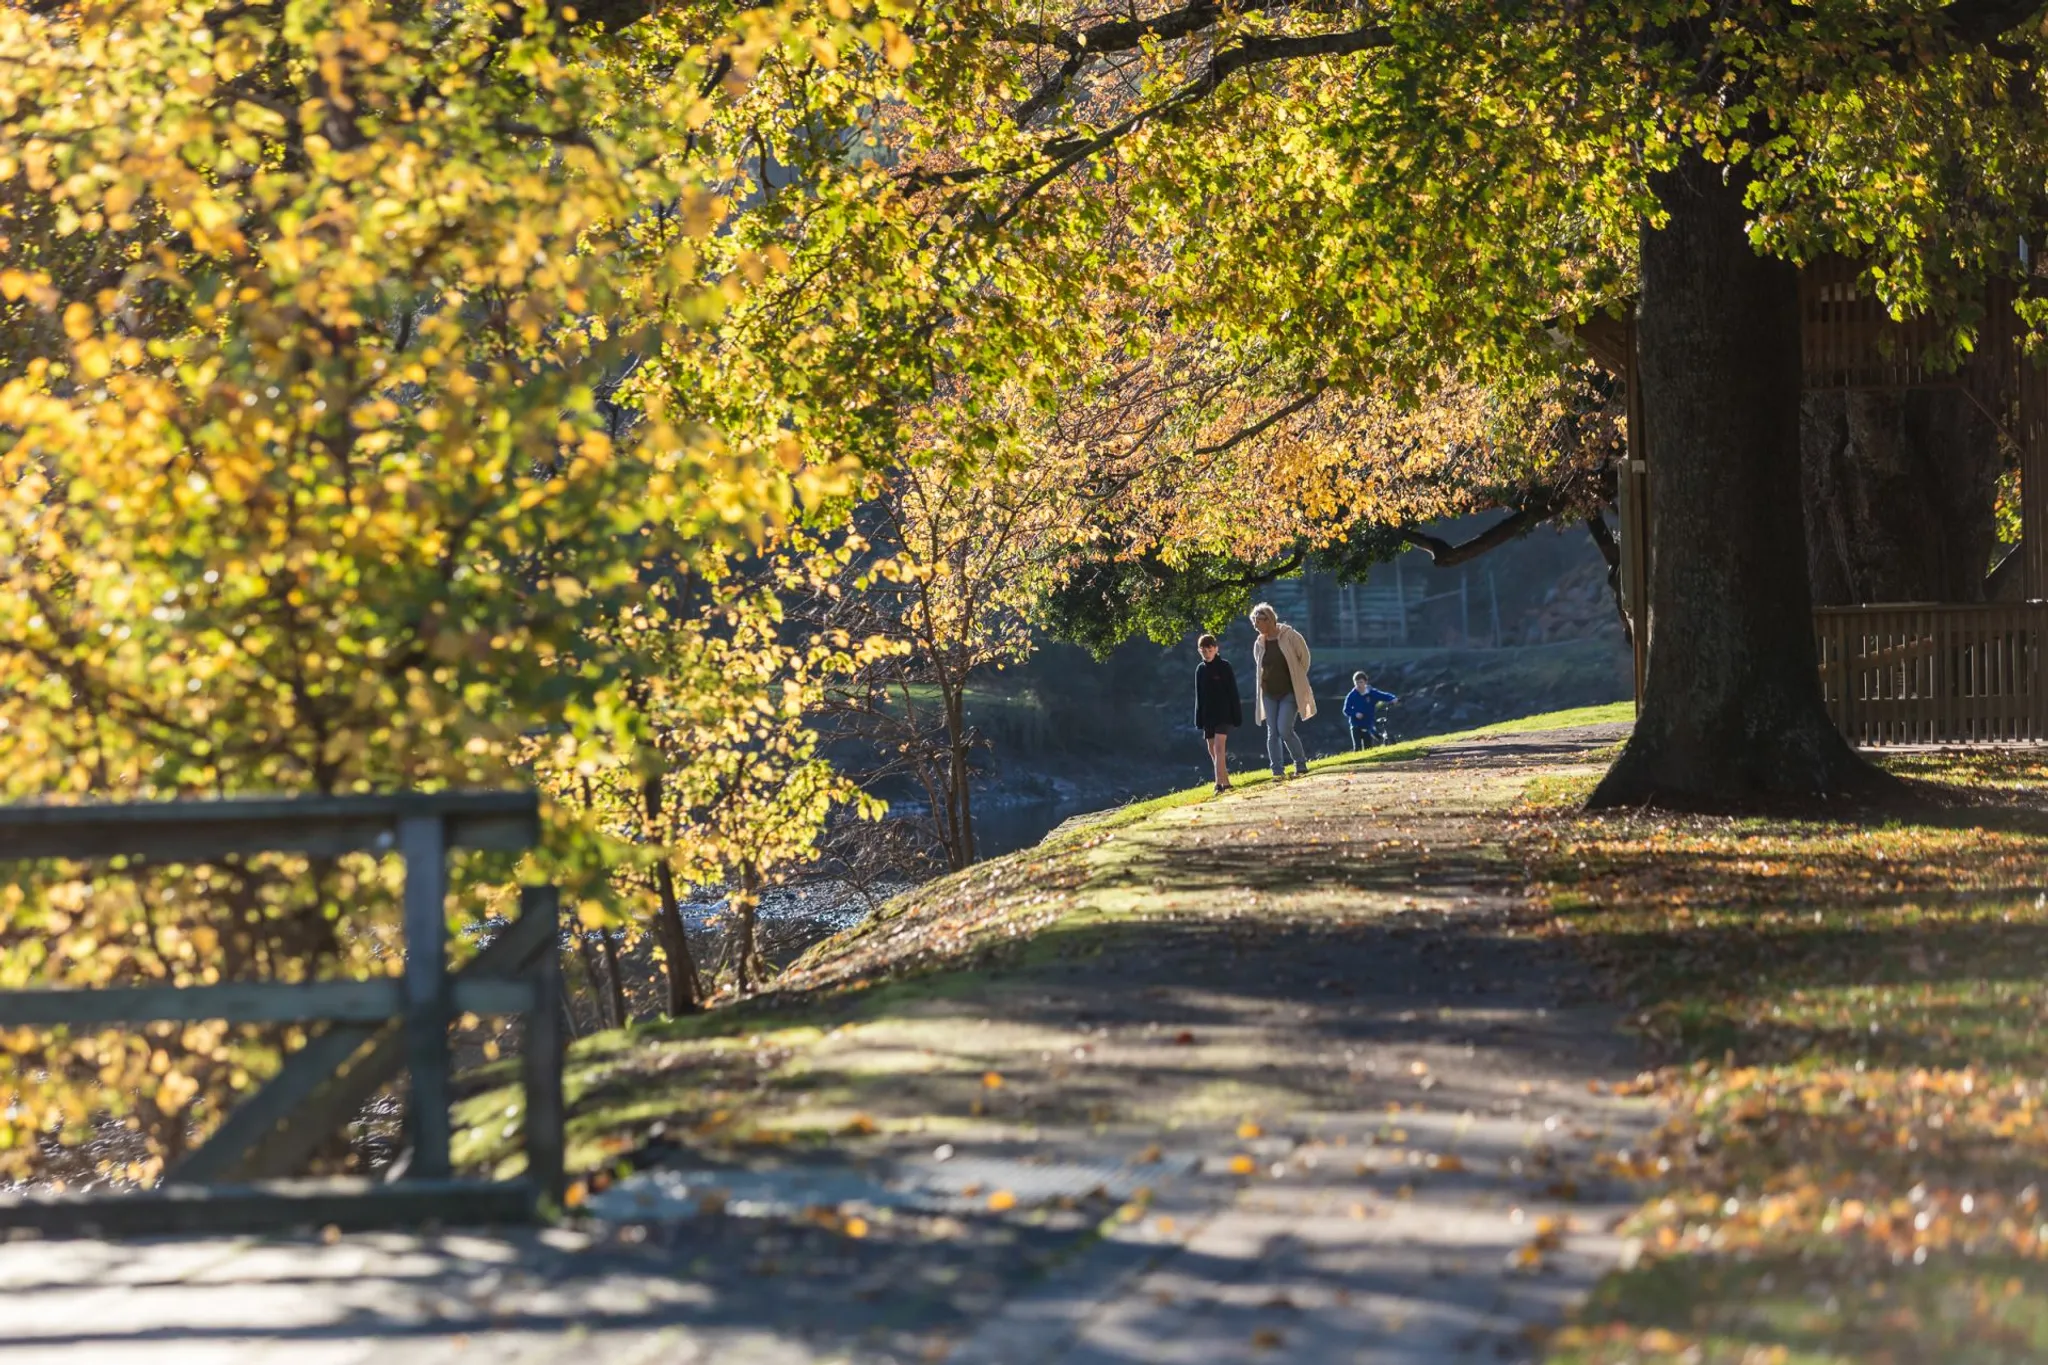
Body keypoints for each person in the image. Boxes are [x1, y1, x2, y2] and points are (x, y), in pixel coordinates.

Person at [1249, 602, 1313, 779]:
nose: (1255, 625)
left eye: (1257, 621)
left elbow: (1304, 659)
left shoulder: (1290, 636)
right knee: (1273, 732)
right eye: (1253, 621)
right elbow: (1260, 666)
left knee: (1284, 729)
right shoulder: (1259, 643)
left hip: (1289, 692)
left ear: (1268, 619)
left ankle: (1300, 764)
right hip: (1269, 692)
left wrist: (1297, 678)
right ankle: (1277, 771)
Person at [1192, 633, 1243, 792]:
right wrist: (1198, 719)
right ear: (1199, 651)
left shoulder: (1224, 666)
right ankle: (1225, 781)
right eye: (1203, 651)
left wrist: (1236, 715)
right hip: (1208, 715)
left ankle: (1218, 784)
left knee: (1219, 748)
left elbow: (1233, 692)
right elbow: (1199, 695)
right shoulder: (1200, 669)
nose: (1207, 653)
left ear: (1216, 649)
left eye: (1209, 650)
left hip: (1224, 714)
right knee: (1211, 748)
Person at [1342, 672, 1399, 750]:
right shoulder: (1351, 695)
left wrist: (1393, 698)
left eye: (1361, 682)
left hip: (1368, 725)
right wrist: (1355, 714)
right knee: (1357, 747)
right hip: (1355, 725)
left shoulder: (1372, 693)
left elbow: (1384, 695)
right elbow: (1346, 710)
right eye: (1356, 683)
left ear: (1365, 682)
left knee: (1368, 747)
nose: (1358, 685)